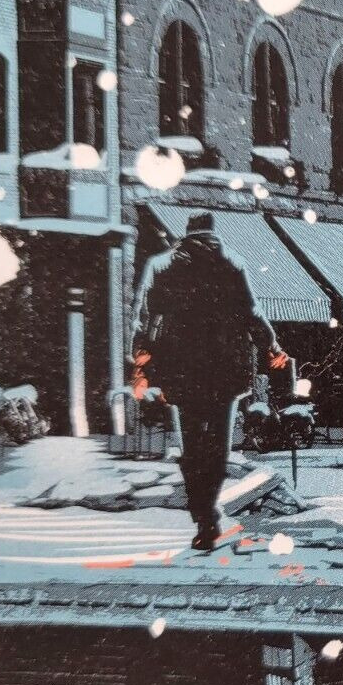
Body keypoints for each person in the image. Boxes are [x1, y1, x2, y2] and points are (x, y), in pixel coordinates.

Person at [131, 211, 287, 550]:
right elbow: (251, 312)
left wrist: (141, 360)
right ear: (213, 233)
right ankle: (208, 511)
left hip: (182, 369)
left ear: (186, 233)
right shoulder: (231, 264)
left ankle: (201, 514)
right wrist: (271, 346)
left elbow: (146, 317)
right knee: (217, 446)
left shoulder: (163, 265)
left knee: (191, 445)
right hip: (223, 370)